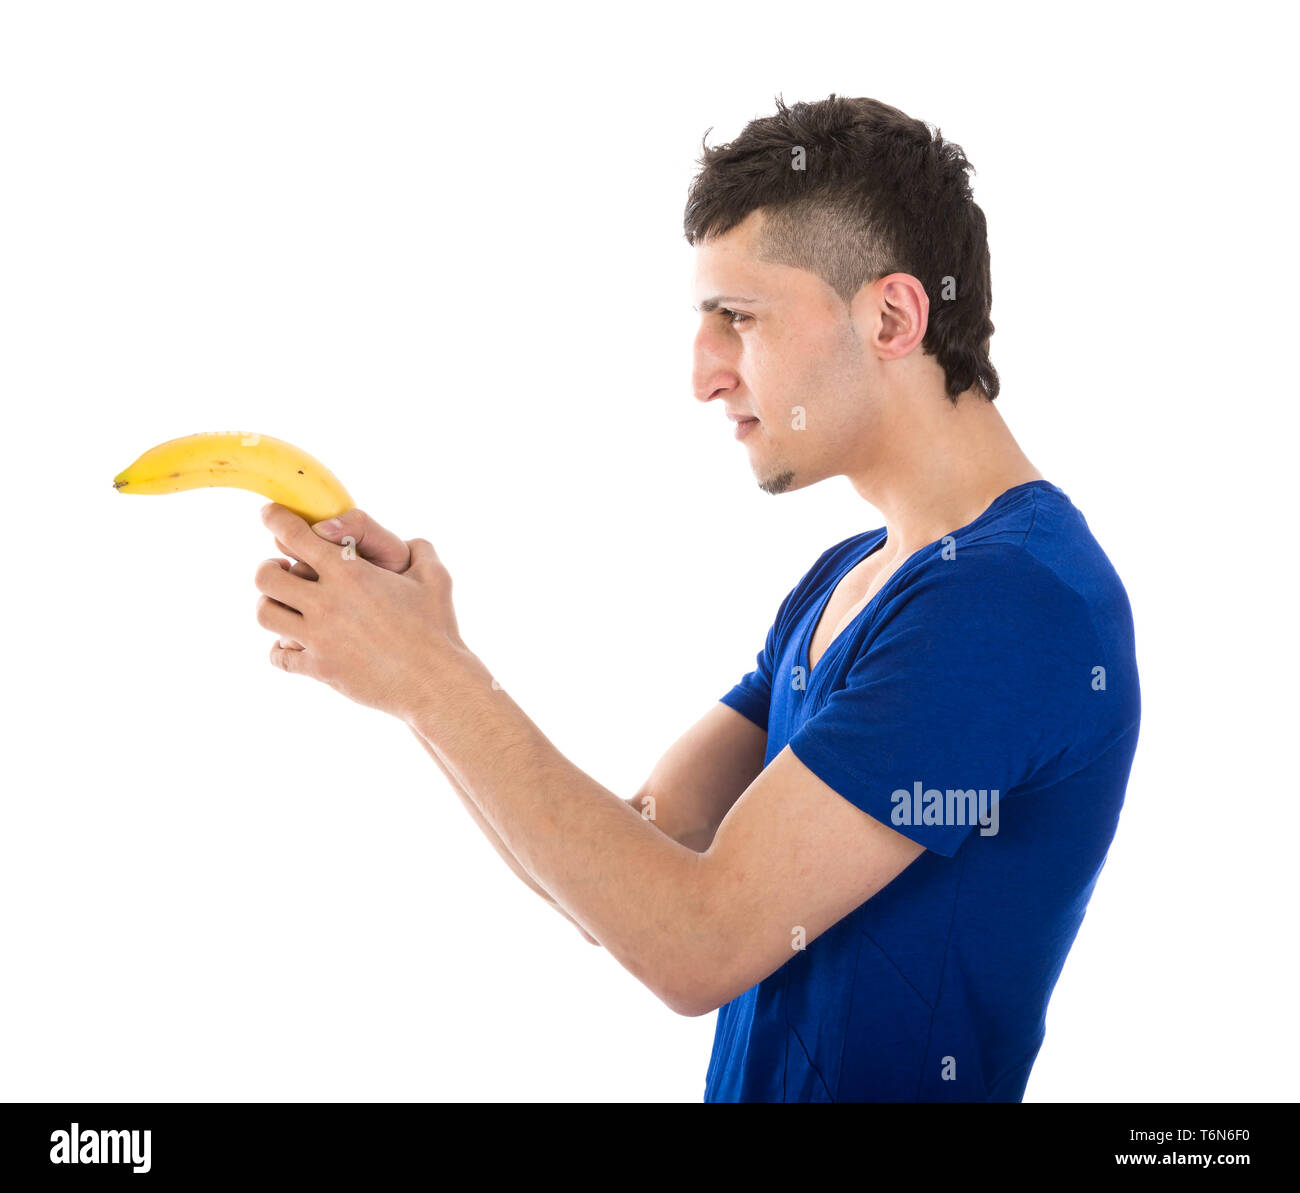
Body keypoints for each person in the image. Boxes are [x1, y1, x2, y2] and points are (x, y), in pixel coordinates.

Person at [253, 94, 1141, 1102]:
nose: (703, 374)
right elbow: (630, 872)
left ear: (892, 315)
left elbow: (697, 942)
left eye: (741, 317)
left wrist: (429, 679)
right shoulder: (850, 576)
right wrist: (422, 665)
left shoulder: (1011, 604)